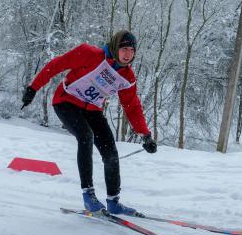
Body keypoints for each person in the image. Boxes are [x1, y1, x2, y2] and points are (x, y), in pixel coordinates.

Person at [22, 30, 157, 215]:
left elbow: (132, 107)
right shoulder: (89, 54)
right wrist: (33, 87)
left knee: (110, 151)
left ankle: (113, 202)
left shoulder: (127, 77)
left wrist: (145, 135)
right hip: (66, 102)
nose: (127, 54)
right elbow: (56, 65)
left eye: (131, 50)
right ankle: (89, 196)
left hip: (93, 110)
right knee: (85, 136)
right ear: (115, 48)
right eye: (124, 49)